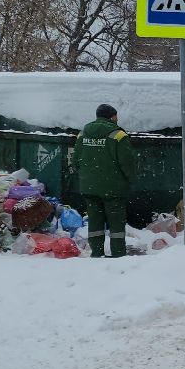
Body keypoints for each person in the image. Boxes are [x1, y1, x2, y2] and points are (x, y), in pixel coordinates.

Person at [75, 103, 137, 258]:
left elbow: (76, 160)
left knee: (95, 222)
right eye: (116, 116)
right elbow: (127, 162)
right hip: (113, 188)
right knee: (116, 224)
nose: (117, 119)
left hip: (89, 187)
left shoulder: (83, 133)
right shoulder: (118, 135)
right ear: (111, 116)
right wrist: (131, 179)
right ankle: (118, 254)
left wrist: (86, 176)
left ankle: (96, 253)